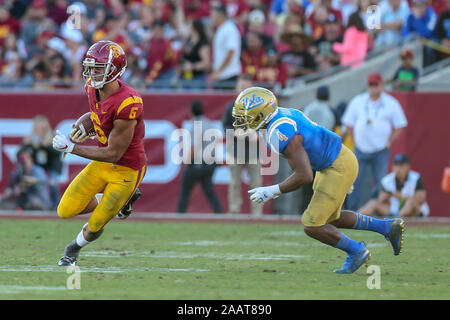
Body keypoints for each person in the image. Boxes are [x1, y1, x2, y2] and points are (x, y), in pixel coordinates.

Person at [232, 86, 405, 274]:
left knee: (312, 224)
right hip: (335, 161)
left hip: (336, 165)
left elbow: (304, 175)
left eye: (245, 115)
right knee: (331, 218)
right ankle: (388, 227)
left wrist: (271, 191)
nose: (241, 120)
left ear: (260, 114)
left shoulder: (279, 131)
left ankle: (357, 251)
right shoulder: (280, 115)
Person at [51, 40, 146, 266]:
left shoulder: (129, 102)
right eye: (90, 67)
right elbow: (99, 113)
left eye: (98, 68)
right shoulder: (92, 88)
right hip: (102, 164)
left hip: (126, 169)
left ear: (114, 70)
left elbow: (114, 153)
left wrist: (72, 148)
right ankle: (121, 201)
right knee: (65, 210)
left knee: (95, 225)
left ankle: (73, 249)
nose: (92, 73)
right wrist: (88, 122)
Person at [342, 73, 408, 211]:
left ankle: (377, 211)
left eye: (376, 85)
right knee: (355, 181)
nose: (373, 88)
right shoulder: (358, 101)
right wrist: (354, 140)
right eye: (371, 85)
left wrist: (390, 141)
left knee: (381, 182)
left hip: (381, 149)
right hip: (361, 148)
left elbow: (400, 124)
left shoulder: (391, 103)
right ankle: (352, 211)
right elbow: (348, 123)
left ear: (382, 85)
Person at [222, 75, 262, 216]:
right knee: (235, 182)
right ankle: (234, 209)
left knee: (256, 182)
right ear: (237, 89)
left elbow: (265, 126)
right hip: (235, 150)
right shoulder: (230, 107)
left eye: (247, 88)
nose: (243, 91)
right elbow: (225, 126)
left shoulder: (258, 108)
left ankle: (257, 212)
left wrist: (257, 134)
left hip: (253, 151)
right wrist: (234, 132)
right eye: (241, 88)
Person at [176, 100, 224, 214]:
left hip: (197, 163)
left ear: (191, 111)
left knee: (185, 192)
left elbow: (194, 147)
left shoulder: (196, 125)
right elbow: (217, 142)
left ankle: (179, 215)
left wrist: (187, 162)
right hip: (210, 162)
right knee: (209, 191)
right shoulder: (210, 124)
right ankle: (219, 213)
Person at [360, 154, 430, 218]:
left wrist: (397, 195)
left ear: (408, 167)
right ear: (393, 167)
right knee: (373, 203)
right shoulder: (387, 180)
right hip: (394, 211)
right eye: (396, 165)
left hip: (415, 212)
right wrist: (385, 197)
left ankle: (397, 219)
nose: (398, 168)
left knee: (411, 202)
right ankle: (355, 218)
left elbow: (420, 199)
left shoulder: (416, 178)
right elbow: (380, 199)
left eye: (401, 166)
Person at [22, 115, 63, 210]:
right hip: (39, 167)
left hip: (53, 167)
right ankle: (46, 205)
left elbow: (58, 153)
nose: (40, 131)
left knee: (53, 183)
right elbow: (21, 153)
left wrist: (47, 146)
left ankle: (56, 206)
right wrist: (26, 145)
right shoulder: (32, 139)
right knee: (41, 181)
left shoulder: (52, 137)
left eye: (42, 129)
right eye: (37, 129)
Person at [210, 3, 242, 90]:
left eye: (213, 14)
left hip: (229, 74)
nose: (211, 17)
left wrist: (218, 71)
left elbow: (231, 52)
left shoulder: (230, 29)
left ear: (220, 14)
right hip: (222, 75)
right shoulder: (221, 28)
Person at [177, 19, 211, 89]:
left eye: (190, 27)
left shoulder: (202, 44)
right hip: (185, 77)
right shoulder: (188, 41)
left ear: (194, 29)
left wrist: (192, 66)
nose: (188, 28)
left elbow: (206, 64)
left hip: (197, 79)